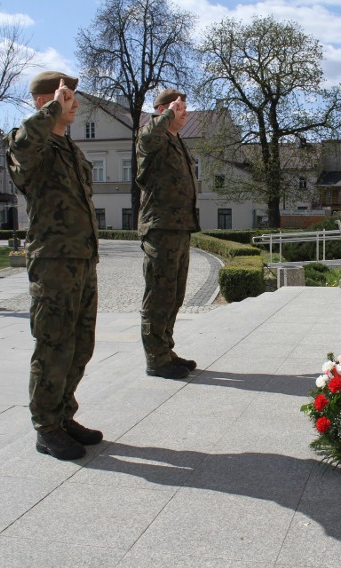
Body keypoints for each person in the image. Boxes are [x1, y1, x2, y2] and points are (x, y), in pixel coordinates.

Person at [4, 71, 103, 460]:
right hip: (53, 262)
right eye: (67, 97)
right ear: (46, 101)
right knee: (53, 343)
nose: (75, 103)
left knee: (80, 344)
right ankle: (46, 427)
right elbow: (25, 149)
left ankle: (63, 415)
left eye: (72, 97)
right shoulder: (27, 142)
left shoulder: (71, 149)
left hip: (81, 259)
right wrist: (49, 111)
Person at [136, 88, 201, 379]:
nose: (184, 113)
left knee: (174, 295)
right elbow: (149, 139)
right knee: (159, 294)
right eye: (178, 108)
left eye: (185, 108)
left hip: (179, 227)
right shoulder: (152, 136)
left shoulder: (176, 141)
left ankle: (165, 350)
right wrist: (165, 117)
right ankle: (155, 359)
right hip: (160, 228)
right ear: (162, 110)